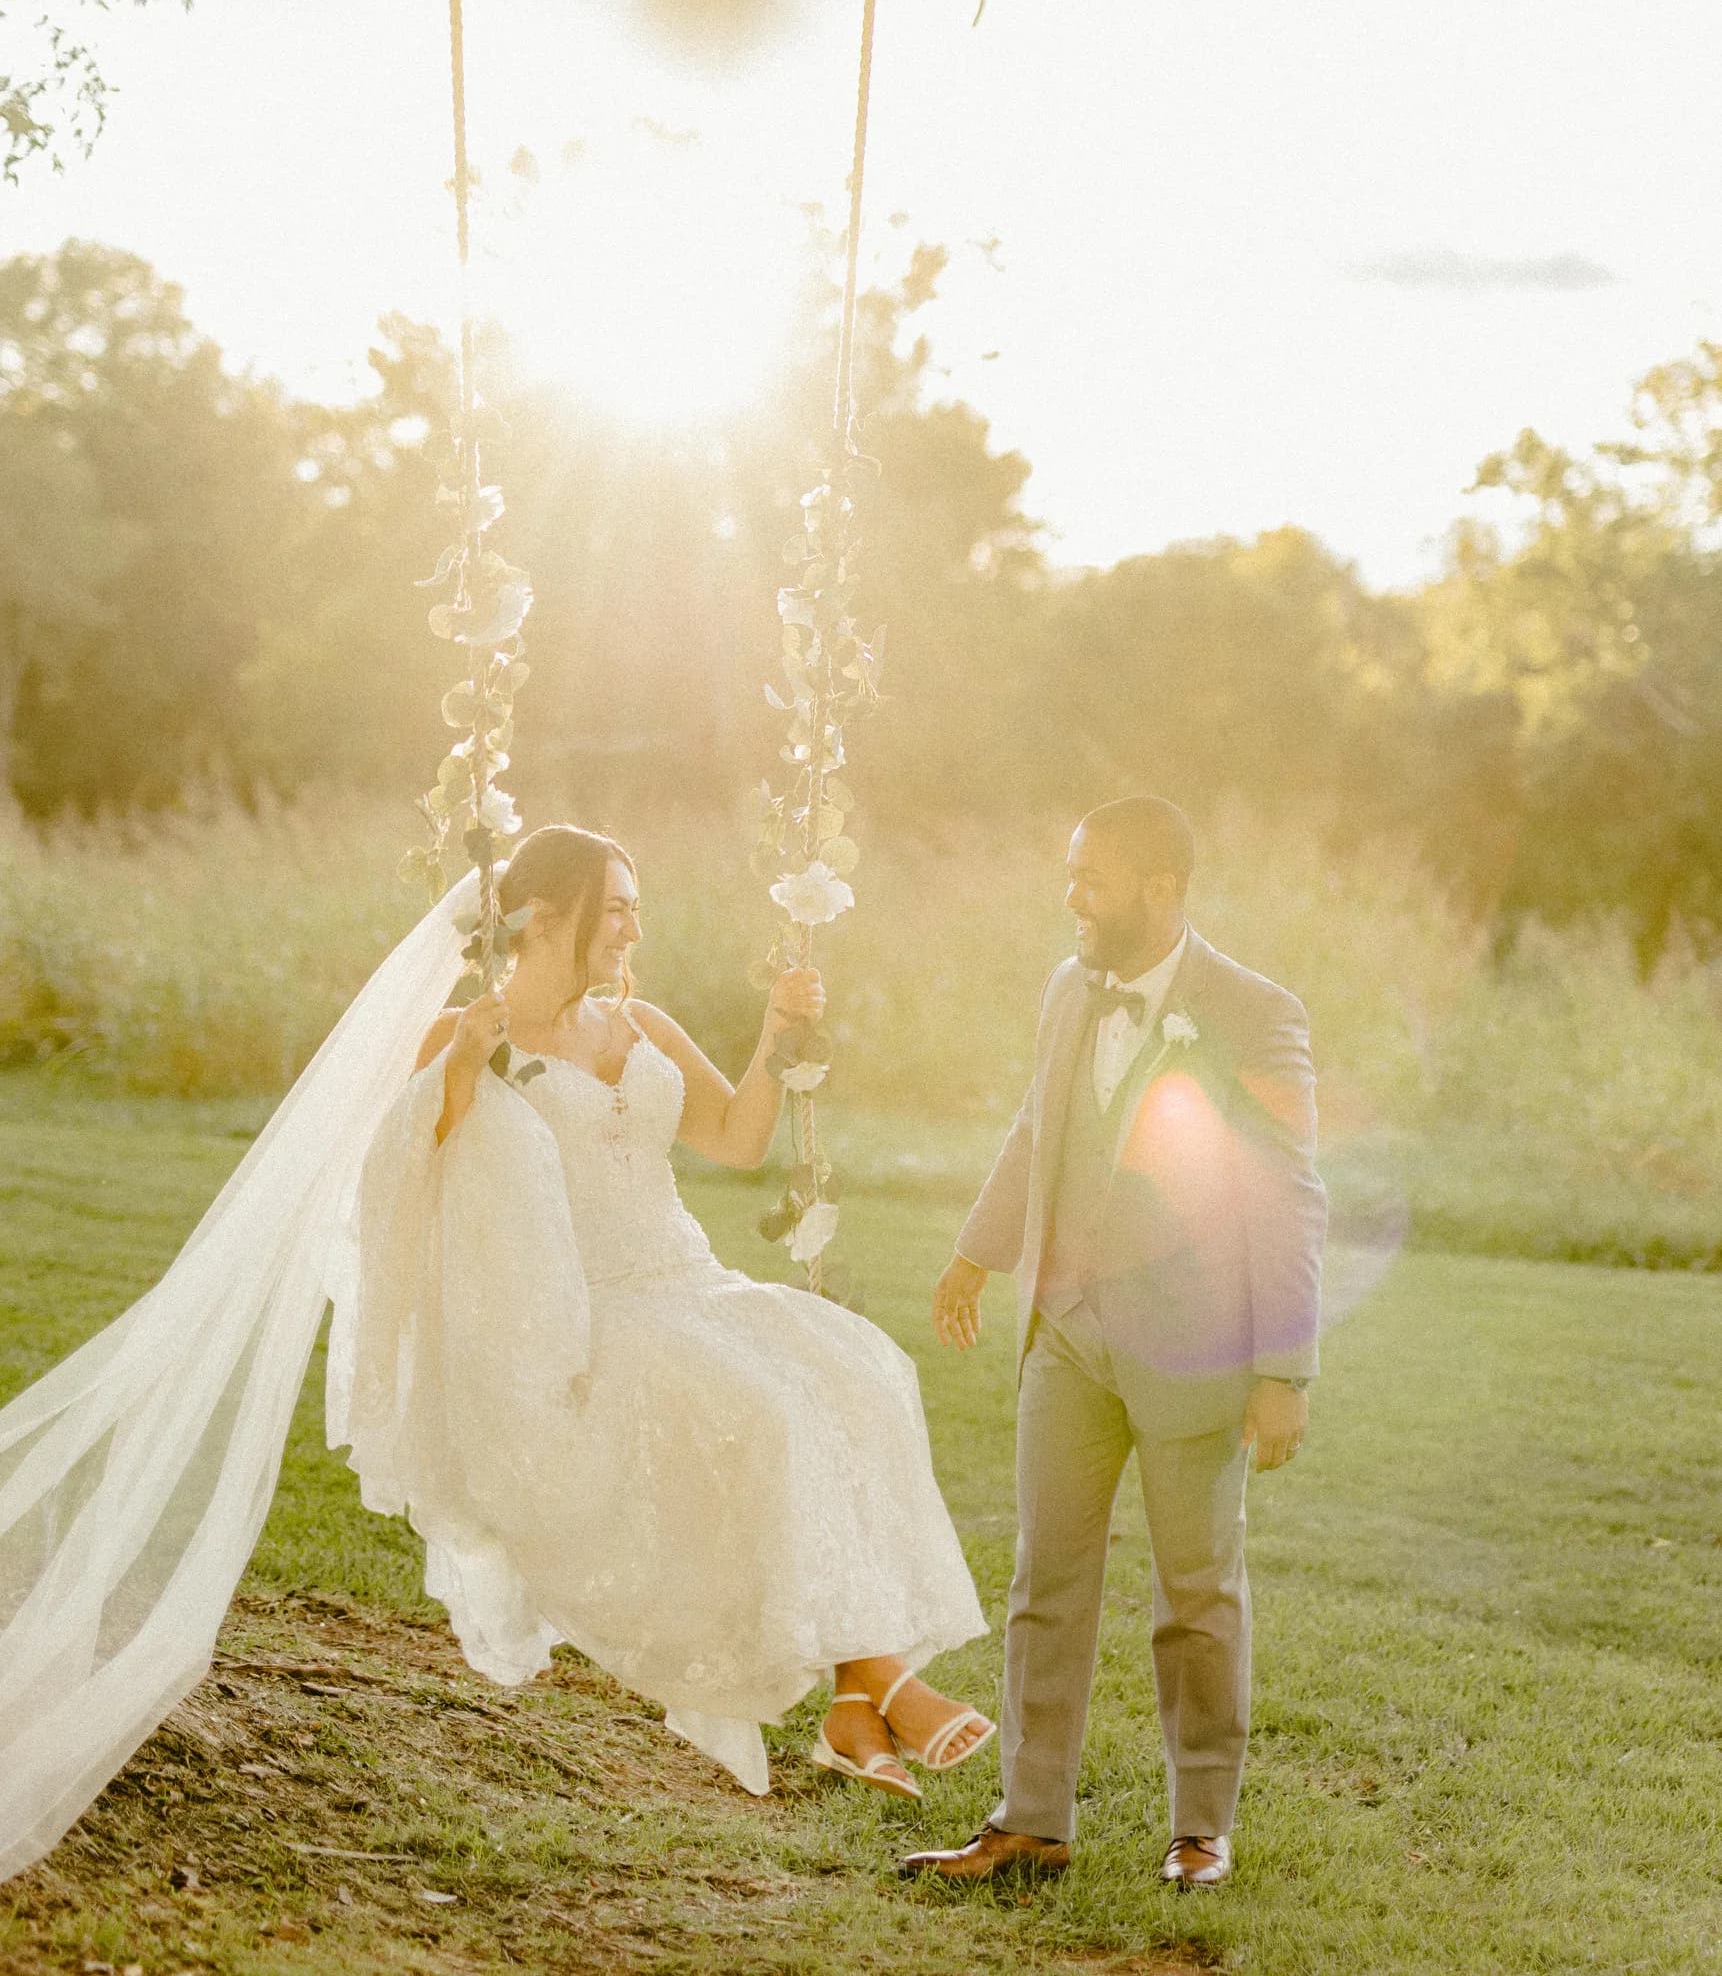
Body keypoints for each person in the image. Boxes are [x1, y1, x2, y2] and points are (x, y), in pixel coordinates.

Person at [0, 824, 990, 1883]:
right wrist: (464, 1070)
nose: (635, 929)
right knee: (770, 1408)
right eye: (616, 907)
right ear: (547, 916)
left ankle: (855, 1694)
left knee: (861, 1375)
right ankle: (877, 1682)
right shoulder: (469, 1033)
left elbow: (737, 1140)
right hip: (594, 1311)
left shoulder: (641, 1022)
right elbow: (398, 1183)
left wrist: (776, 1032)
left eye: (637, 908)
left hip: (691, 1280)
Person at [901, 796, 1326, 1893]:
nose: (1074, 897)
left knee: (1195, 1594)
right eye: (1071, 874)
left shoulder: (1253, 1011)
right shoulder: (1065, 988)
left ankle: (1200, 1829)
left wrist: (1283, 1368)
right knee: (1046, 1580)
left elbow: (1288, 1196)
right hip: (1069, 1338)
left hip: (1194, 1353)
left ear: (1162, 889)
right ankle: (1030, 1820)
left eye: (1093, 878)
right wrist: (977, 1252)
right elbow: (1038, 1123)